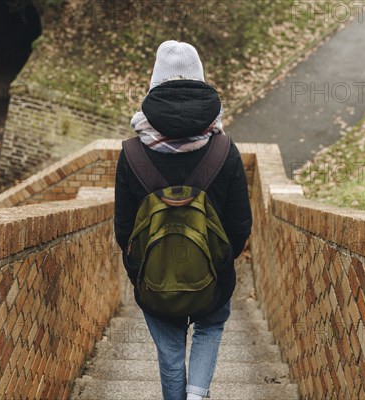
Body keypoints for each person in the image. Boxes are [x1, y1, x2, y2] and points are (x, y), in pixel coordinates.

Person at [114, 40, 252, 400]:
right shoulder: (225, 150)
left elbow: (123, 230)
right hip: (214, 279)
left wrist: (141, 271)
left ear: (154, 85)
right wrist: (218, 264)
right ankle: (197, 394)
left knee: (171, 350)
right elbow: (240, 227)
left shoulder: (131, 154)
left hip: (155, 279)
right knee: (209, 326)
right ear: (201, 83)